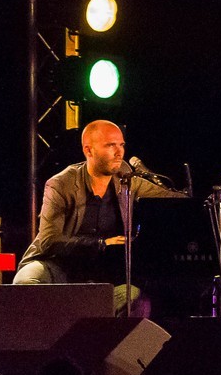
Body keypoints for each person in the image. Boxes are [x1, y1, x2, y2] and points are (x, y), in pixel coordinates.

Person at [14, 119, 185, 313]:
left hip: (99, 275)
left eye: (121, 145)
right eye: (110, 145)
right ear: (88, 150)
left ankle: (91, 328)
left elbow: (172, 199)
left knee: (137, 299)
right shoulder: (61, 183)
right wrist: (102, 243)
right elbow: (49, 241)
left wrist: (208, 199)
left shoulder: (126, 180)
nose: (119, 152)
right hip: (56, 266)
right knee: (26, 281)